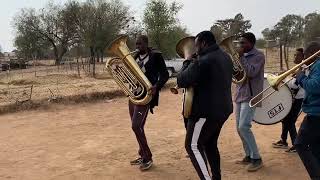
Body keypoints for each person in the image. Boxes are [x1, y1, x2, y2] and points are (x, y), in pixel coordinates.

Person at [177, 31, 233, 180]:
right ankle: (216, 177)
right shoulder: (226, 57)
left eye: (196, 46)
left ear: (203, 43)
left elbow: (181, 80)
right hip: (223, 110)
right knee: (209, 144)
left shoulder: (203, 60)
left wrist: (187, 60)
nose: (195, 49)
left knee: (192, 146)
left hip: (205, 113)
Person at [129, 35, 169, 171]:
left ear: (146, 43)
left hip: (147, 96)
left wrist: (156, 86)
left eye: (140, 44)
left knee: (136, 126)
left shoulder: (156, 56)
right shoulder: (133, 58)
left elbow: (165, 75)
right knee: (139, 127)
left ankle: (148, 157)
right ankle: (142, 155)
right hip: (134, 95)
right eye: (136, 44)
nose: (137, 47)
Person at [235, 32, 265, 172]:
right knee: (239, 128)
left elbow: (252, 72)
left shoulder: (258, 55)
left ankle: (257, 158)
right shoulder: (243, 56)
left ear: (251, 43)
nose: (241, 45)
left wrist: (241, 57)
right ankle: (248, 155)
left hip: (251, 95)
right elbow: (237, 74)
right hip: (240, 94)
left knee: (244, 127)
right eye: (240, 43)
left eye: (243, 43)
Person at [295, 41, 320, 180]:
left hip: (316, 114)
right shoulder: (315, 66)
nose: (304, 59)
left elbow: (315, 87)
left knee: (300, 144)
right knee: (316, 147)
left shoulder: (319, 65)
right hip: (316, 112)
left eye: (306, 55)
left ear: (312, 54)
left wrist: (301, 77)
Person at [272, 48, 305, 153]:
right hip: (292, 98)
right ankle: (283, 140)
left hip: (298, 99)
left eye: (297, 55)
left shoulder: (303, 68)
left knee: (290, 121)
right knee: (285, 119)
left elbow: (295, 85)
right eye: (294, 55)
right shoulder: (297, 67)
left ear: (303, 57)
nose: (294, 57)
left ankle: (296, 145)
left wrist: (284, 78)